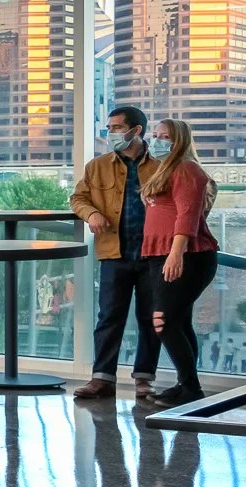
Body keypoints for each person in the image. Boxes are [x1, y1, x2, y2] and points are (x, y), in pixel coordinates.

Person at [71, 104, 162, 400]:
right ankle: (102, 379)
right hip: (114, 252)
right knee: (109, 316)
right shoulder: (96, 166)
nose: (110, 134)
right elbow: (78, 198)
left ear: (136, 131)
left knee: (151, 318)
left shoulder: (162, 166)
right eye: (109, 128)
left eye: (116, 128)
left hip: (153, 255)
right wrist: (91, 214)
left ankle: (144, 379)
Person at [140, 118, 218, 407]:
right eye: (156, 135)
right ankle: (186, 385)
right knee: (178, 321)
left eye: (165, 137)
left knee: (164, 320)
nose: (158, 141)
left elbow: (187, 214)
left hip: (187, 255)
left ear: (180, 141)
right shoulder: (166, 169)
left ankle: (191, 388)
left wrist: (176, 254)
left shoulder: (187, 169)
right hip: (161, 254)